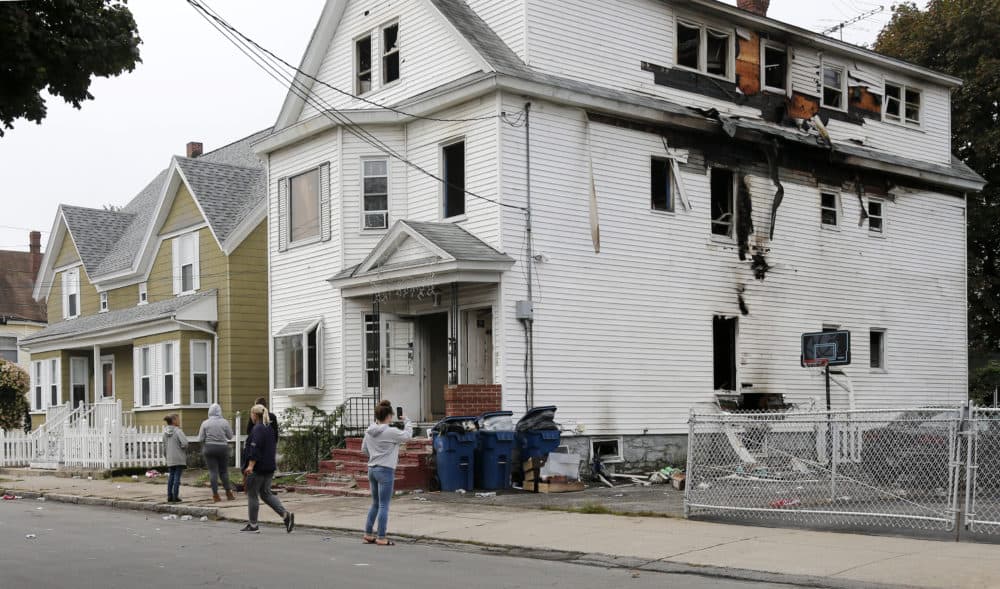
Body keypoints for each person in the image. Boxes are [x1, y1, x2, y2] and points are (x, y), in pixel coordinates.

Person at [361, 400, 412, 546]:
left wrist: (375, 455)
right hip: (385, 470)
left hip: (372, 468)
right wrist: (407, 421)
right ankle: (381, 537)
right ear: (389, 416)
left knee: (375, 503)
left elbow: (364, 449)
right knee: (384, 505)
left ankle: (368, 534)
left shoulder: (369, 431)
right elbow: (407, 436)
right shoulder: (391, 431)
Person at [241, 404, 294, 534]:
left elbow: (255, 447)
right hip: (269, 467)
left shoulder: (257, 429)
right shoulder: (269, 428)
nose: (250, 416)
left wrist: (250, 465)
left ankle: (253, 525)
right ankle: (285, 515)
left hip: (257, 468)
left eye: (251, 414)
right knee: (265, 493)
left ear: (255, 415)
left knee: (253, 494)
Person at [194, 403, 235, 502]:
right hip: (222, 448)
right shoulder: (224, 422)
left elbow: (200, 438)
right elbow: (230, 436)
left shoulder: (205, 423)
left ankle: (215, 495)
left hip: (209, 448)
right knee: (224, 471)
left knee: (213, 472)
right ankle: (228, 493)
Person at [163, 414, 188, 503]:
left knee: (171, 477)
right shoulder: (178, 431)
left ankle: (169, 496)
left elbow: (164, 446)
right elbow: (185, 443)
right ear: (174, 421)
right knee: (177, 477)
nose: (179, 421)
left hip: (170, 457)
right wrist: (182, 447)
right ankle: (175, 496)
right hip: (179, 457)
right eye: (178, 419)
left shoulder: (165, 432)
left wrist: (166, 456)